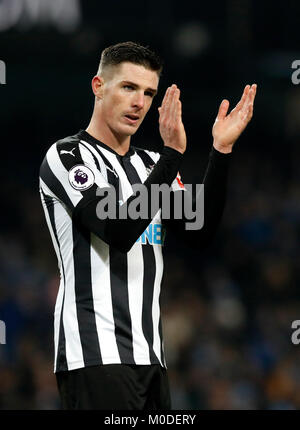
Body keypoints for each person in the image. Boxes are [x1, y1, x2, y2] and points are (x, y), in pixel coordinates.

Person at [39, 41, 257, 410]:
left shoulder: (150, 165)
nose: (140, 102)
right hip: (96, 355)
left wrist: (220, 153)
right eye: (128, 87)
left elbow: (200, 231)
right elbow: (117, 231)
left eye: (149, 93)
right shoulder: (68, 156)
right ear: (98, 86)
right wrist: (172, 155)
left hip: (152, 357)